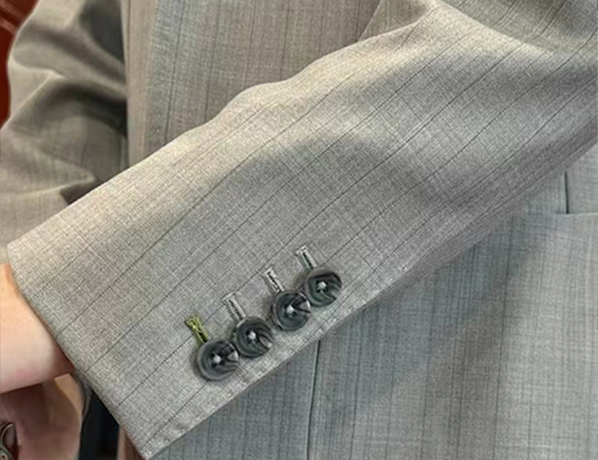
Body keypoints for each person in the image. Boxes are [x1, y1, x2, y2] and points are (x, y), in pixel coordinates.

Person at [0, 0, 595, 459]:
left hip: (442, 356)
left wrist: (67, 302)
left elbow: (538, 29)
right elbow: (81, 50)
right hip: (130, 402)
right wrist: (33, 308)